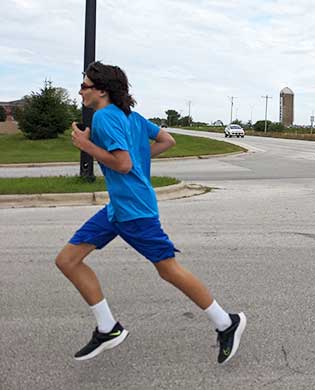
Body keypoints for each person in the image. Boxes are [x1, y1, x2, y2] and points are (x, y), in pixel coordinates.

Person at [55, 62, 246, 363]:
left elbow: (123, 164)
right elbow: (167, 141)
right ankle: (108, 328)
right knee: (67, 260)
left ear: (101, 90)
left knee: (168, 269)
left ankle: (226, 322)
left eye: (85, 85)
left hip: (135, 210)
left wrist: (86, 145)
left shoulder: (104, 117)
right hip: (118, 208)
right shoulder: (131, 116)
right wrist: (139, 158)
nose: (81, 90)